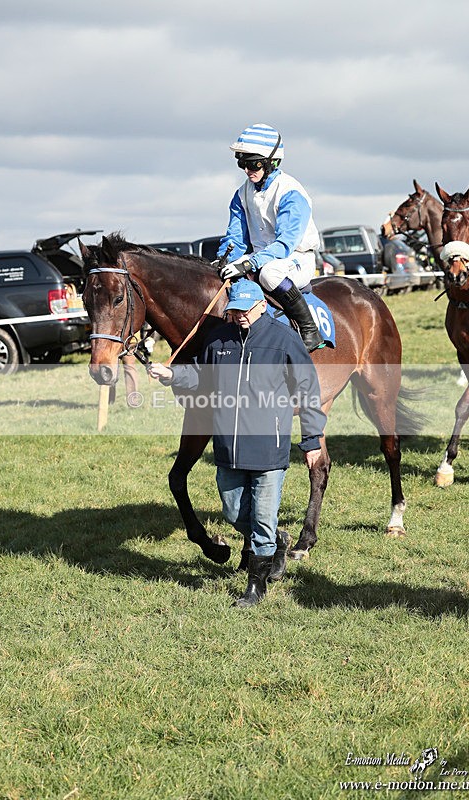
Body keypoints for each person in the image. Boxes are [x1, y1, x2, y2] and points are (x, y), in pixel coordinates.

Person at [148, 278, 326, 608]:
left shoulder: (284, 339)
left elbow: (307, 388)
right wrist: (173, 375)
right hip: (228, 447)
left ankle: (255, 588)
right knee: (232, 513)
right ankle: (276, 540)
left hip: (268, 447)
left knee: (262, 519)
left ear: (262, 306)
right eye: (235, 310)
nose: (239, 316)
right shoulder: (220, 339)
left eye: (245, 310)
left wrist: (312, 438)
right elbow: (202, 375)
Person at [215, 123, 325, 352]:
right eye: (242, 163)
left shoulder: (291, 192)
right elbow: (236, 238)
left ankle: (309, 329)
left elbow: (285, 244)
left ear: (271, 162)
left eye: (253, 163)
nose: (247, 170)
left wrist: (249, 263)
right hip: (260, 256)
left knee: (269, 273)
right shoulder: (241, 193)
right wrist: (224, 260)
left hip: (295, 258)